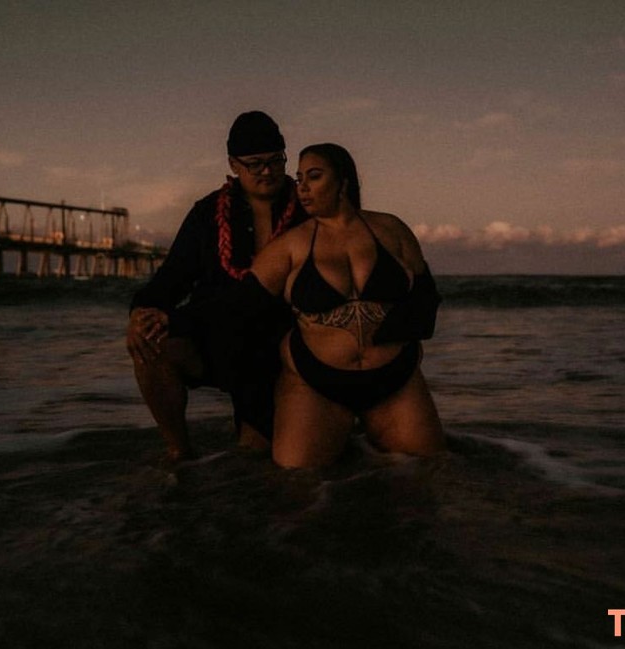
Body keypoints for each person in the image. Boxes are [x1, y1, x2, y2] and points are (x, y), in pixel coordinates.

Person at [173, 143, 445, 468]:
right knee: (298, 480)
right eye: (300, 178)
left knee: (431, 471)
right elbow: (234, 306)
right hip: (317, 382)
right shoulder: (290, 246)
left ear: (343, 180)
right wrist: (169, 320)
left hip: (395, 379)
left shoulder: (391, 229)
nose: (302, 188)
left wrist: (401, 330)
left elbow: (426, 296)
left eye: (314, 177)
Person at [126, 111, 307, 462]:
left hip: (280, 348)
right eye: (254, 164)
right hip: (216, 338)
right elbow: (171, 279)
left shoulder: (306, 207)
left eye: (275, 161)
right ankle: (179, 452)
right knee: (151, 344)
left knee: (257, 456)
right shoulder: (207, 212)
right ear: (233, 165)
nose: (267, 171)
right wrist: (140, 314)